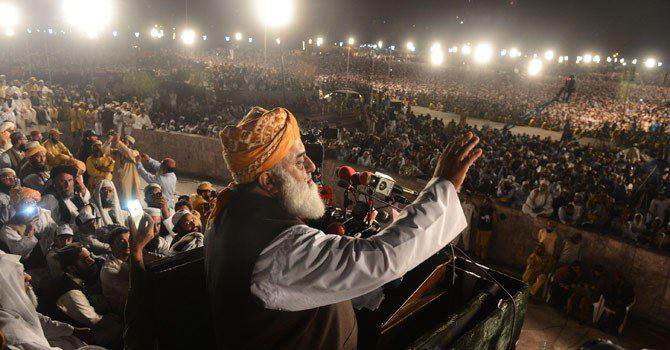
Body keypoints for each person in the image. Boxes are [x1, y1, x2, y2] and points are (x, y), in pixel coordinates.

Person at [205, 107, 481, 349]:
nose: (312, 166)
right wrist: (443, 186)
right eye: (300, 161)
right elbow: (383, 259)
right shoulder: (278, 250)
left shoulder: (232, 210)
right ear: (268, 182)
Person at [38, 243, 122, 347]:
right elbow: (94, 320)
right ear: (72, 268)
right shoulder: (70, 292)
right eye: (85, 260)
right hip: (69, 338)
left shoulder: (70, 278)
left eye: (90, 256)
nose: (92, 261)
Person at [0, 252, 89, 350]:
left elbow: (37, 320)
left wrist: (73, 330)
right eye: (20, 274)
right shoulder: (17, 337)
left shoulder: (9, 306)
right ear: (6, 285)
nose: (29, 277)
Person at [0, 188, 56, 270]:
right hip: (31, 266)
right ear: (16, 206)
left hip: (50, 257)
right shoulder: (8, 228)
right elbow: (20, 253)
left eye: (33, 202)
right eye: (26, 203)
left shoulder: (43, 214)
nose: (31, 205)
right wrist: (29, 233)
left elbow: (54, 231)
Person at [100, 226, 130, 315]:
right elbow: (131, 292)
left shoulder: (131, 257)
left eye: (129, 240)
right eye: (121, 241)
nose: (127, 244)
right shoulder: (109, 270)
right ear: (112, 246)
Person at [109, 134, 141, 209]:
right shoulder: (118, 153)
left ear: (130, 144)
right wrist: (109, 141)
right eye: (122, 140)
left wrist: (119, 142)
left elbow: (129, 153)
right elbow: (106, 152)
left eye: (125, 141)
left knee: (128, 200)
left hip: (128, 182)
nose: (123, 142)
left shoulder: (135, 152)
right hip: (118, 180)